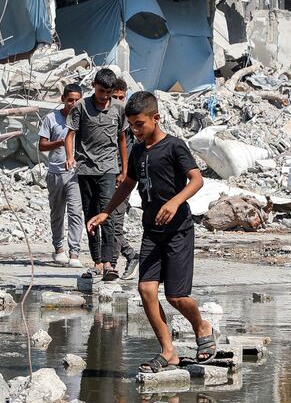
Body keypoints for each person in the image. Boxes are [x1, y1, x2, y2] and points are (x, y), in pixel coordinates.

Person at [87, 91, 216, 373]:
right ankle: (168, 351)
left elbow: (197, 180)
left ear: (156, 118)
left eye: (140, 124)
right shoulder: (137, 150)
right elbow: (127, 184)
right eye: (131, 125)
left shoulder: (174, 146)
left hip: (179, 230)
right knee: (146, 289)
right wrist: (106, 211)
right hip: (152, 231)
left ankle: (202, 325)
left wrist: (175, 201)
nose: (135, 130)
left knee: (176, 297)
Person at [65, 68, 129, 281]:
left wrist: (124, 170)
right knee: (90, 214)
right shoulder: (81, 107)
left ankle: (110, 263)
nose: (104, 97)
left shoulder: (119, 109)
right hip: (85, 169)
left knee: (107, 213)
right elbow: (70, 135)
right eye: (101, 91)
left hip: (109, 169)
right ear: (94, 86)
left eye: (108, 93)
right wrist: (70, 157)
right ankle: (97, 261)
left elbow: (122, 140)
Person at [38, 84, 85, 268]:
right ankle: (59, 249)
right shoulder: (51, 119)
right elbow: (42, 145)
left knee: (75, 212)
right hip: (56, 172)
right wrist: (61, 141)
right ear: (63, 99)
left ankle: (74, 253)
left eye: (77, 100)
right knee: (57, 213)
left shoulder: (83, 119)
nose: (73, 103)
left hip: (75, 174)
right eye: (70, 100)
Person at [110, 78, 140, 281]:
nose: (119, 102)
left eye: (122, 97)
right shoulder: (105, 120)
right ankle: (119, 260)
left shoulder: (132, 125)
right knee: (104, 221)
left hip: (124, 180)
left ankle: (114, 264)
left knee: (114, 223)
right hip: (104, 176)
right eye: (115, 98)